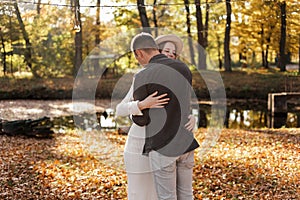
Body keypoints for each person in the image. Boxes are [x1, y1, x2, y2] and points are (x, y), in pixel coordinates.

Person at [115, 33, 197, 199]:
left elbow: (142, 119)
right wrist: (142, 104)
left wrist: (192, 117)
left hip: (160, 144)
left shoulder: (144, 76)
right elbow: (120, 109)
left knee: (166, 195)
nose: (170, 55)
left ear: (139, 53)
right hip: (172, 143)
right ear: (158, 50)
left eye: (172, 53)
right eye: (166, 50)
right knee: (183, 194)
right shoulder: (184, 69)